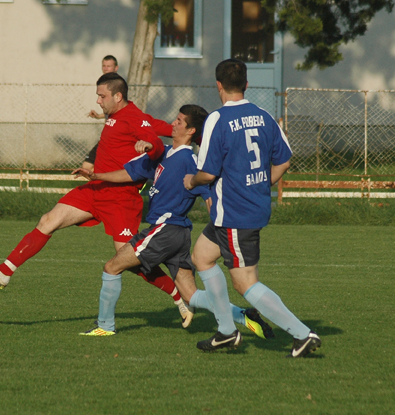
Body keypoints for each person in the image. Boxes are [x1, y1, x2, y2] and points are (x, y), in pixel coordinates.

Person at [0, 73, 192, 320]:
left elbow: (156, 142)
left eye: (102, 96)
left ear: (118, 96)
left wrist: (151, 147)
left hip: (121, 200)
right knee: (48, 220)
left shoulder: (134, 118)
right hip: (95, 190)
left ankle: (178, 298)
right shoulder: (118, 115)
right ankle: (4, 271)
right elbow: (161, 127)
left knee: (129, 260)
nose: (98, 101)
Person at [73, 104, 275, 340]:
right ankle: (243, 315)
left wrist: (221, 229)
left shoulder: (192, 161)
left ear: (190, 131)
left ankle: (105, 326)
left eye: (180, 121)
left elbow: (210, 195)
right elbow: (130, 173)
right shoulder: (163, 152)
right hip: (176, 234)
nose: (174, 123)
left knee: (112, 267)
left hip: (165, 229)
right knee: (190, 296)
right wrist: (96, 175)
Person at [183, 59, 321, 357]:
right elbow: (284, 159)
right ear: (246, 85)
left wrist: (191, 182)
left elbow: (206, 173)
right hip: (238, 210)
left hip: (235, 213)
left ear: (218, 85)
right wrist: (260, 185)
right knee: (202, 257)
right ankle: (225, 331)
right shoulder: (264, 116)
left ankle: (301, 334)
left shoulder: (218, 121)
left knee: (245, 282)